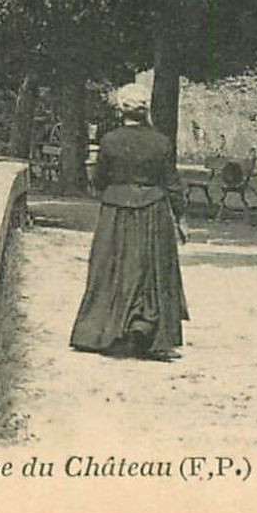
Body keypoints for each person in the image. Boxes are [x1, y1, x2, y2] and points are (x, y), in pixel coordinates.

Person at [70, 87, 188, 360]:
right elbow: (172, 183)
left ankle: (104, 329)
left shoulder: (110, 141)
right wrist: (181, 218)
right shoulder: (161, 142)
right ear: (145, 110)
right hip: (153, 211)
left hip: (116, 211)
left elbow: (99, 181)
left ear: (122, 110)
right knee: (151, 269)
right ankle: (146, 327)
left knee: (112, 266)